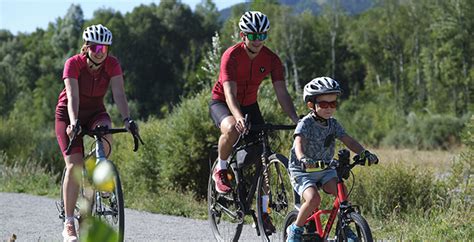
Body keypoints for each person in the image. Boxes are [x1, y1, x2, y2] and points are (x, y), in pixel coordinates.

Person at [209, 11, 299, 233]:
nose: (258, 39)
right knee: (231, 128)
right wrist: (238, 118)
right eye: (253, 35)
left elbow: (282, 93)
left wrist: (297, 120)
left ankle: (262, 212)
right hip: (222, 103)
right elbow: (229, 94)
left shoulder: (271, 59)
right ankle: (221, 169)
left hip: (250, 105)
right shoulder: (231, 56)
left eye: (263, 35)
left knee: (264, 158)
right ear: (243, 35)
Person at [55, 24, 137, 242]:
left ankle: (96, 174)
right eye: (96, 48)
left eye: (104, 49)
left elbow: (119, 94)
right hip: (68, 114)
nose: (100, 53)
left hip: (96, 112)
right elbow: (72, 97)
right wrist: (73, 124)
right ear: (87, 47)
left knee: (107, 136)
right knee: (74, 165)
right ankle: (70, 222)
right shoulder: (73, 64)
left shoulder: (112, 64)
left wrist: (127, 119)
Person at [285, 77, 379, 242]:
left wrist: (364, 153)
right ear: (311, 105)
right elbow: (298, 143)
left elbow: (348, 140)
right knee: (314, 199)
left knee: (341, 192)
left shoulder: (333, 124)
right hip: (303, 170)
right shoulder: (305, 123)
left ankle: (344, 228)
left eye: (333, 104)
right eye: (323, 104)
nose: (329, 108)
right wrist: (303, 159)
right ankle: (295, 229)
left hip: (325, 168)